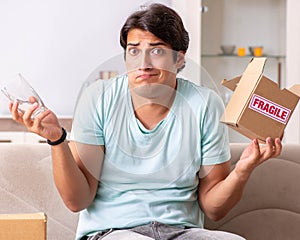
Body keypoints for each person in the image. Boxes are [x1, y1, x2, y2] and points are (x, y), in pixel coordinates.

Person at [9, 3, 282, 240]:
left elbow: (213, 207)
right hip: (111, 232)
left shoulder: (205, 104)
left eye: (157, 50)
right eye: (134, 50)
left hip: (182, 231)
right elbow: (77, 200)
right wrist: (57, 139)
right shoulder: (98, 98)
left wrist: (243, 169)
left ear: (179, 59)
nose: (144, 63)